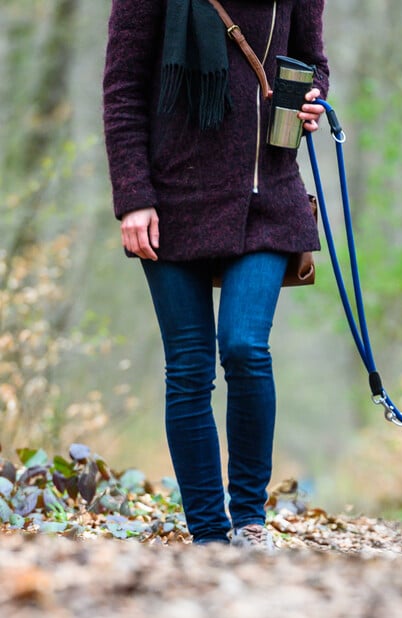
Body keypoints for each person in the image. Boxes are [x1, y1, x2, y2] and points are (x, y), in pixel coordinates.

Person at [102, 0, 330, 549]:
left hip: (266, 197)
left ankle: (249, 521)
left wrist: (312, 102)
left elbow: (312, 62)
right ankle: (208, 535)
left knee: (246, 347)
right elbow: (123, 90)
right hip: (172, 200)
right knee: (188, 367)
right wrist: (133, 197)